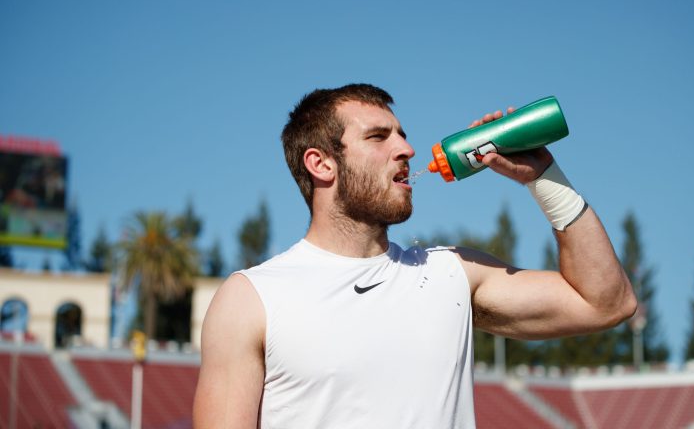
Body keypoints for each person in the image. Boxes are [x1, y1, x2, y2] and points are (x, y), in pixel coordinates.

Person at [193, 83, 637, 428]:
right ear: (322, 164)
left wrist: (543, 177)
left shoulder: (451, 275)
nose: (405, 149)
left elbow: (606, 302)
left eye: (402, 135)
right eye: (378, 137)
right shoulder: (252, 299)